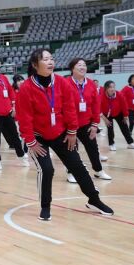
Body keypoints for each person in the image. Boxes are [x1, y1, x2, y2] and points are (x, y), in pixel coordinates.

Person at [16, 48, 114, 221]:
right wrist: (31, 142)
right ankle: (45, 206)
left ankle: (94, 199)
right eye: (45, 59)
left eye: (51, 58)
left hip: (61, 133)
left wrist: (71, 131)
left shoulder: (62, 82)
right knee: (47, 170)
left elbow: (70, 109)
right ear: (34, 64)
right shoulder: (26, 88)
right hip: (38, 136)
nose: (50, 62)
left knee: (77, 166)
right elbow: (24, 118)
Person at [65, 58, 111, 183]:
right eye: (79, 65)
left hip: (86, 123)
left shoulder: (90, 83)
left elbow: (96, 105)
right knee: (71, 149)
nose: (82, 67)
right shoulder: (65, 83)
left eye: (84, 65)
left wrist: (95, 124)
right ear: (72, 68)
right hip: (69, 124)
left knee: (92, 148)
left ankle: (98, 170)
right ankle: (71, 172)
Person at [100, 81, 134, 151]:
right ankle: (111, 144)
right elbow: (98, 108)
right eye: (110, 87)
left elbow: (124, 105)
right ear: (106, 88)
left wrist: (125, 115)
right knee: (110, 128)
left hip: (118, 112)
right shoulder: (101, 96)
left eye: (113, 87)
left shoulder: (119, 94)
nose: (112, 89)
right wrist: (104, 118)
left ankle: (130, 143)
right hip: (107, 114)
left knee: (125, 127)